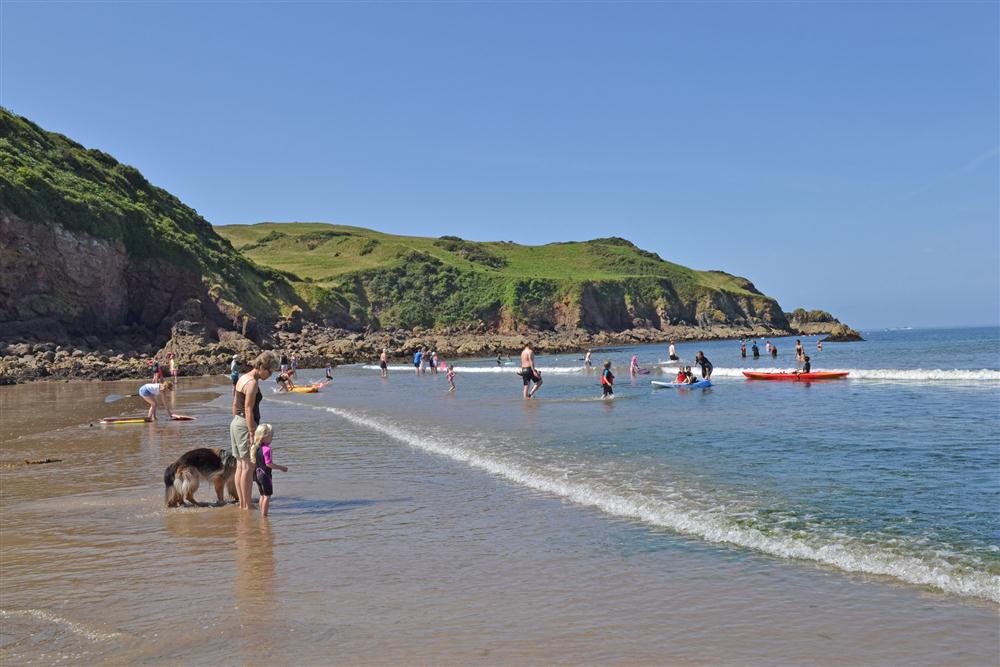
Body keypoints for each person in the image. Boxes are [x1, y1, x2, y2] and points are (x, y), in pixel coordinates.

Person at [232, 351, 279, 511]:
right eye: (270, 371)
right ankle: (246, 505)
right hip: (245, 425)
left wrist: (238, 421)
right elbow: (248, 408)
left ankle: (242, 503)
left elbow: (234, 404)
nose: (270, 375)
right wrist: (252, 433)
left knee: (240, 465)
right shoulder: (252, 382)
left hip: (236, 423)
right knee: (247, 466)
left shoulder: (242, 378)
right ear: (261, 367)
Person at [250, 423, 288, 518]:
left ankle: (261, 513)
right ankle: (264, 516)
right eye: (271, 436)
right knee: (267, 496)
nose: (272, 438)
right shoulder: (267, 449)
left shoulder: (256, 448)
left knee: (262, 495)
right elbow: (268, 464)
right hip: (265, 475)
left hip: (257, 474)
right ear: (264, 436)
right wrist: (281, 468)